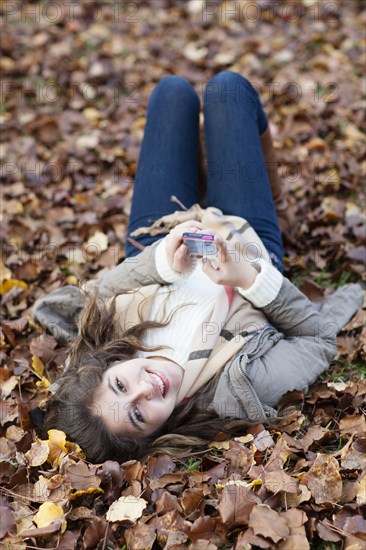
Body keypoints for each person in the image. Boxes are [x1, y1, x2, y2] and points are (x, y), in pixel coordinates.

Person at [33, 72, 363, 464]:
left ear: (110, 366)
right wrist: (251, 280)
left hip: (158, 236)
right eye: (138, 415)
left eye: (120, 384)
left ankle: (212, 183)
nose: (144, 389)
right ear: (152, 438)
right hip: (249, 244)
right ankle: (274, 203)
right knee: (228, 90)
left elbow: (101, 294)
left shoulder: (101, 353)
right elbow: (317, 340)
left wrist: (160, 263)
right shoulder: (237, 389)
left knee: (171, 92)